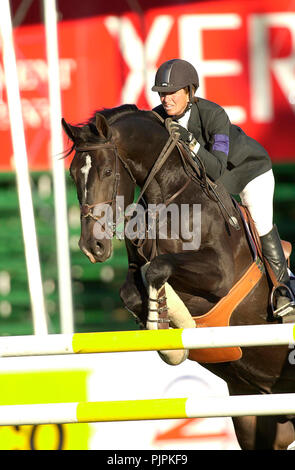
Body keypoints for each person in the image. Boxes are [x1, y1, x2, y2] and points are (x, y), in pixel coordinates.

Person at [151, 58, 295, 320]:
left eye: (171, 92)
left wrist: (191, 143)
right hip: (212, 183)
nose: (165, 99)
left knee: (261, 225)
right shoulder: (159, 117)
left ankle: (285, 290)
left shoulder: (213, 114)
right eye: (162, 93)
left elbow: (216, 168)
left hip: (249, 172)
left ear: (189, 91)